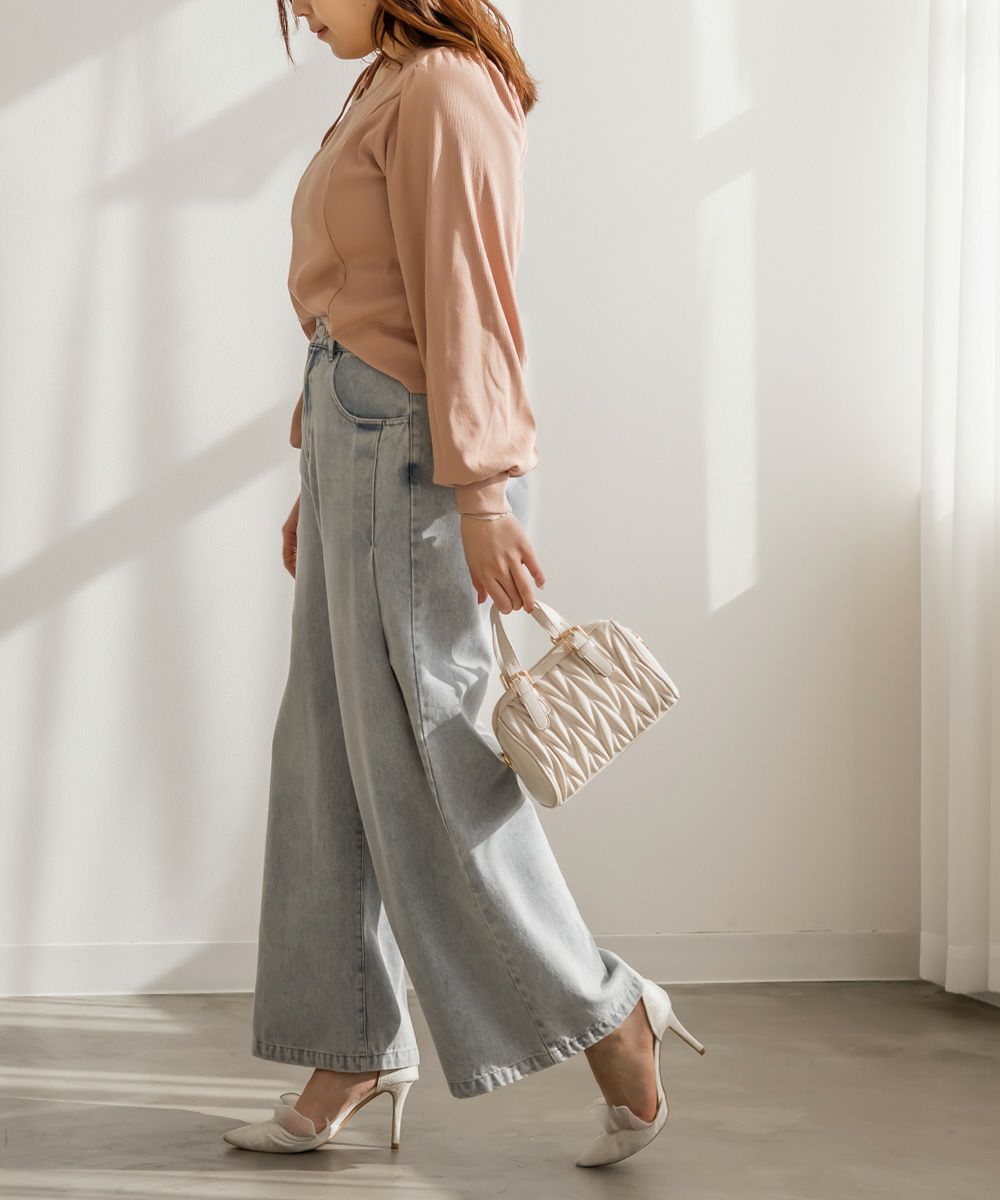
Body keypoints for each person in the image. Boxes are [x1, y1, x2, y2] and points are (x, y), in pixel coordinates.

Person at [222, 0, 704, 1169]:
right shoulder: (383, 84)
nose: (301, 12)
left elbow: (469, 299)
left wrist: (482, 492)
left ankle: (608, 1013)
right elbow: (362, 300)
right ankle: (348, 1044)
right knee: (326, 751)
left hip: (419, 457)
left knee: (436, 760)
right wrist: (316, 478)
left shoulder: (444, 87)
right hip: (356, 445)